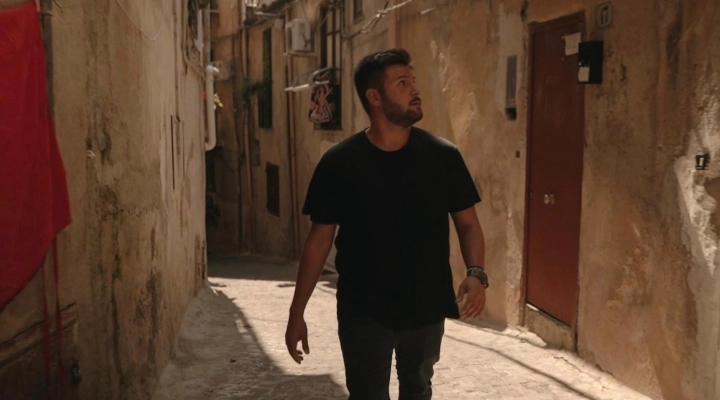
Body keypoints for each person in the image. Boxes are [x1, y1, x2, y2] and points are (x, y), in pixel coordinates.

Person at [285, 48, 489, 400]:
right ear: (374, 97)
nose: (415, 89)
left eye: (413, 81)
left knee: (418, 390)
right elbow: (318, 241)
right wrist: (296, 312)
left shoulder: (443, 157)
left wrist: (476, 273)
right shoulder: (339, 164)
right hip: (364, 310)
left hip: (426, 307)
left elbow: (468, 224)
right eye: (403, 83)